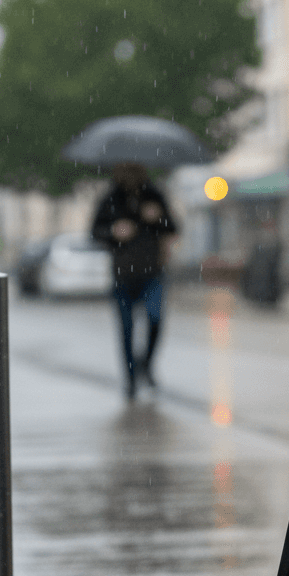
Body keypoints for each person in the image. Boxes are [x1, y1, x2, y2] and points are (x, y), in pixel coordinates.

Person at [91, 162, 178, 399]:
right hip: (123, 275)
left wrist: (158, 217)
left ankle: (146, 364)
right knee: (126, 329)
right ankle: (130, 380)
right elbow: (95, 231)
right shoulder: (110, 198)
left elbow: (173, 227)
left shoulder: (154, 195)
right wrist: (113, 231)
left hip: (152, 273)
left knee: (155, 318)